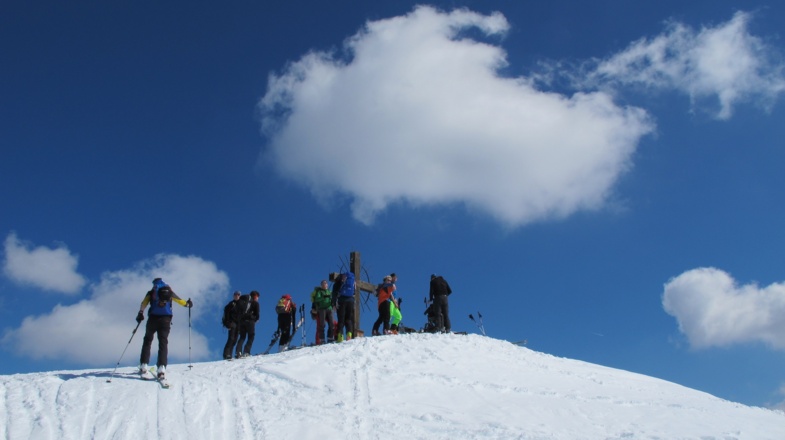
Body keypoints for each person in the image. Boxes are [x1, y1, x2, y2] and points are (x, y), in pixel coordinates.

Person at [136, 278, 192, 380]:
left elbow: (144, 303)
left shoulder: (152, 292)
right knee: (163, 342)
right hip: (165, 320)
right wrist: (188, 304)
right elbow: (180, 301)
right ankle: (161, 368)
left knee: (147, 340)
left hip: (153, 318)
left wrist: (140, 313)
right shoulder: (169, 291)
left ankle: (144, 365)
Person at [234, 290, 260, 358]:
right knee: (251, 336)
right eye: (257, 297)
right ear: (255, 296)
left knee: (242, 337)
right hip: (250, 321)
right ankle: (246, 352)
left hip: (241, 321)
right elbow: (257, 314)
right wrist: (255, 319)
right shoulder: (255, 303)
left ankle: (238, 352)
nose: (258, 298)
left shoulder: (242, 300)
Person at [310, 280, 334, 345]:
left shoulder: (329, 291)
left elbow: (332, 298)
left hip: (329, 308)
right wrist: (324, 297)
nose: (325, 284)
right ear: (321, 285)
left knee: (331, 323)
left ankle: (330, 337)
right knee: (322, 324)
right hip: (322, 309)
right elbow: (317, 299)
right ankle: (322, 339)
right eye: (324, 283)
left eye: (326, 283)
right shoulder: (319, 292)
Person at [221, 291, 242, 360]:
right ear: (233, 296)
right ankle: (226, 354)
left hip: (238, 324)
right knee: (231, 338)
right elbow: (226, 314)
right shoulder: (230, 304)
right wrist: (227, 323)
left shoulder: (241, 304)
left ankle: (229, 354)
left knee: (235, 340)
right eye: (235, 294)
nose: (236, 296)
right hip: (231, 323)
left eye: (238, 295)